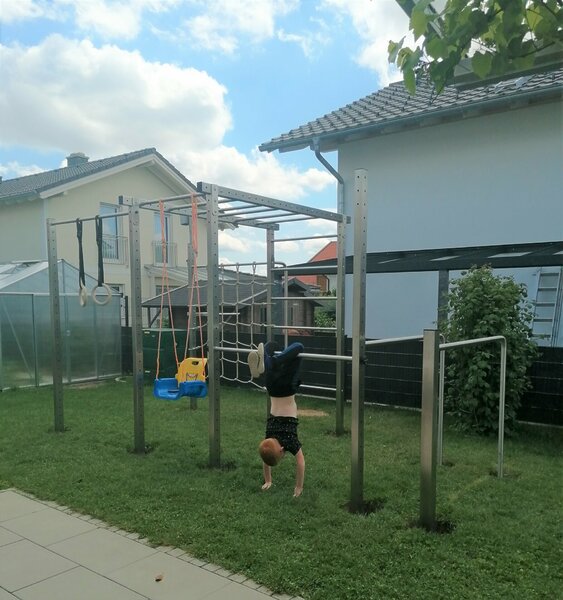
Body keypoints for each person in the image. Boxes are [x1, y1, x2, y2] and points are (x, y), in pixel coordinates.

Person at [248, 341, 305, 497]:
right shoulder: (269, 436)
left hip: (287, 388)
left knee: (299, 348)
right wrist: (268, 480)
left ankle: (271, 361)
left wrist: (298, 487)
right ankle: (266, 359)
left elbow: (300, 462)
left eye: (281, 456)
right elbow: (266, 458)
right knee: (272, 345)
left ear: (281, 450)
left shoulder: (289, 441)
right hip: (271, 386)